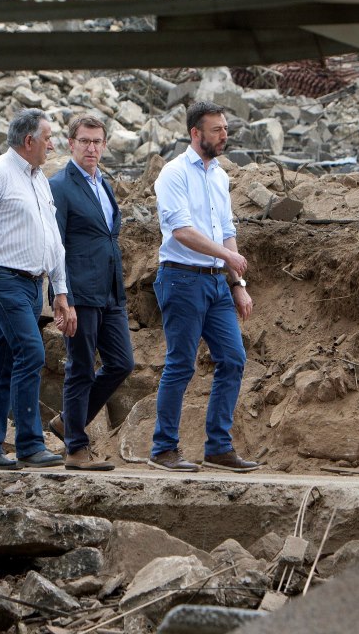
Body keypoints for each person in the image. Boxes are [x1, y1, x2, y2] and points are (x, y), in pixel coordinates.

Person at [0, 109, 77, 470]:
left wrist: (61, 290)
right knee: (32, 353)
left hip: (30, 285)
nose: (52, 144)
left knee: (4, 363)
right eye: (48, 137)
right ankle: (29, 444)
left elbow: (53, 239)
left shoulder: (39, 179)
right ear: (29, 141)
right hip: (2, 279)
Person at [150, 101, 259, 472]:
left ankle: (218, 448)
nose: (224, 135)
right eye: (216, 130)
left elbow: (226, 231)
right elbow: (181, 232)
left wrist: (238, 283)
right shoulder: (173, 174)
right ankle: (164, 449)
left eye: (225, 129)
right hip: (181, 278)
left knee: (233, 358)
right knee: (180, 364)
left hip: (215, 285)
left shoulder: (219, 176)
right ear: (196, 134)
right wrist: (229, 259)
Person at [46, 115, 135, 471]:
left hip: (111, 290)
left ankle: (70, 422)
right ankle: (76, 449)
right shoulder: (60, 186)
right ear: (71, 144)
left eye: (97, 141)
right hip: (79, 291)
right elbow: (56, 245)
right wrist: (60, 295)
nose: (91, 148)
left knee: (122, 362)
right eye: (84, 141)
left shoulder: (104, 184)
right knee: (81, 367)